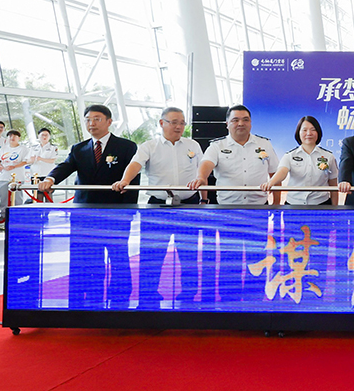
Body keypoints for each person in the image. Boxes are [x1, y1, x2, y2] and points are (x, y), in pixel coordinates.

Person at [38, 104, 139, 308]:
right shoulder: (79, 148)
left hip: (115, 213)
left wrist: (129, 208)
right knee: (88, 257)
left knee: (118, 257)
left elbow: (134, 177)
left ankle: (120, 298)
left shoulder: (127, 147)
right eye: (88, 119)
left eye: (97, 119)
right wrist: (50, 178)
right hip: (84, 213)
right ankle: (91, 296)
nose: (91, 123)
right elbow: (65, 166)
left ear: (109, 122)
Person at [113, 107, 204, 309]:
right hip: (157, 206)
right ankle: (148, 298)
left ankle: (189, 298)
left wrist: (204, 199)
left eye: (182, 123)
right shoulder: (149, 146)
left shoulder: (193, 145)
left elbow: (202, 172)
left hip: (188, 205)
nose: (179, 126)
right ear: (162, 123)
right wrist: (125, 180)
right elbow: (136, 164)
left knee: (189, 255)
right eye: (174, 122)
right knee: (152, 255)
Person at [188, 105, 278, 305]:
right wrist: (201, 177)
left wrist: (277, 204)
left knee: (257, 255)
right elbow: (206, 164)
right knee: (230, 256)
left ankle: (255, 297)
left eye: (245, 119)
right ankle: (230, 298)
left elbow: (275, 175)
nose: (240, 123)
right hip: (228, 210)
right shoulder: (217, 146)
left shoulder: (264, 144)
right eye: (235, 120)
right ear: (227, 123)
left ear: (251, 123)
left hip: (258, 209)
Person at [262, 116, 338, 206]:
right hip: (294, 204)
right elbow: (282, 171)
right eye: (304, 130)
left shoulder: (329, 157)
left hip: (321, 204)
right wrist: (271, 182)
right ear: (298, 133)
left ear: (318, 132)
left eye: (313, 130)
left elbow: (333, 186)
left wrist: (335, 209)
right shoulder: (290, 155)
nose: (309, 133)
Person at [0, 129, 30, 221]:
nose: (12, 138)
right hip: (3, 176)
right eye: (10, 136)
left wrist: (14, 166)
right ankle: (3, 215)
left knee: (17, 197)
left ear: (19, 138)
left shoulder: (23, 149)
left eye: (15, 136)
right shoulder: (4, 148)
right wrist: (0, 166)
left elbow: (26, 161)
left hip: (17, 176)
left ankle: (18, 215)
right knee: (3, 197)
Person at [27, 127, 59, 202]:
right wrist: (32, 160)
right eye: (42, 135)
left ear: (49, 136)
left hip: (47, 175)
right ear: (38, 136)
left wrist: (41, 159)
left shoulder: (53, 147)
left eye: (46, 135)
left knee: (48, 196)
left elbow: (53, 160)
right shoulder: (33, 148)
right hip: (36, 175)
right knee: (37, 197)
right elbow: (28, 160)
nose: (44, 137)